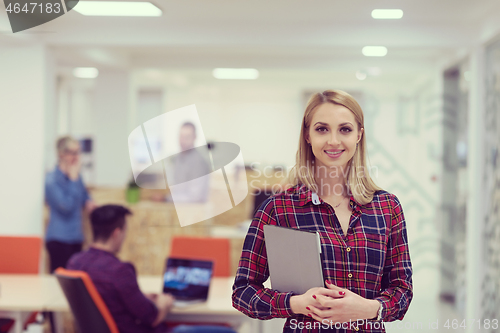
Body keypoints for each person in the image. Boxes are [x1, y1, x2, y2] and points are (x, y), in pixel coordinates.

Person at [232, 90, 413, 332]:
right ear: (307, 135)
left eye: (345, 129)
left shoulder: (387, 207)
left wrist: (369, 309)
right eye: (322, 129)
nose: (334, 141)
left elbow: (402, 291)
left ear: (359, 135)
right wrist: (295, 303)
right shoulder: (278, 209)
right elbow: (243, 292)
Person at [68, 204, 236, 333]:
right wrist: (163, 303)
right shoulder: (119, 271)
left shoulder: (75, 263)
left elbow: (103, 296)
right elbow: (151, 317)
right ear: (116, 233)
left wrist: (138, 296)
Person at [45, 135, 95, 273]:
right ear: (61, 154)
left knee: (75, 282)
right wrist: (73, 179)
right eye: (72, 153)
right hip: (59, 240)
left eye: (78, 152)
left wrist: (89, 201)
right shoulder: (51, 180)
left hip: (76, 238)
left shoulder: (77, 176)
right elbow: (66, 206)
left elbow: (84, 195)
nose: (76, 157)